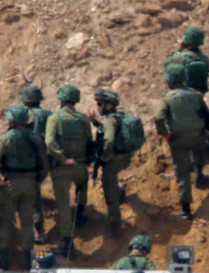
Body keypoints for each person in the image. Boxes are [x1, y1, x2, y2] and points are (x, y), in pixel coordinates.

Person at [154, 64, 209, 221]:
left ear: (169, 82)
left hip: (178, 139)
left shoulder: (167, 98)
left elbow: (158, 118)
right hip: (198, 136)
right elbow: (208, 115)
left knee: (182, 173)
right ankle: (200, 177)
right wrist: (205, 130)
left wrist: (165, 133)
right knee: (199, 156)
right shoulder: (196, 95)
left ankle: (186, 211)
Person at [0, 104, 47, 271]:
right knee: (27, 222)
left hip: (10, 184)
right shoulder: (35, 138)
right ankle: (28, 260)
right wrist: (38, 180)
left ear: (12, 121)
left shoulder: (5, 138)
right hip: (30, 184)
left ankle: (4, 260)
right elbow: (44, 164)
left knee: (6, 222)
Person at [45, 84, 93, 259]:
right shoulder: (83, 119)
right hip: (80, 166)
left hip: (63, 168)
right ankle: (80, 213)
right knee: (82, 186)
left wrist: (63, 159)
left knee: (63, 206)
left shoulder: (54, 118)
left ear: (61, 100)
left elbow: (50, 144)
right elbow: (90, 141)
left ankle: (67, 243)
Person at [164, 26, 209, 189]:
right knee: (198, 131)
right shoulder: (205, 59)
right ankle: (200, 171)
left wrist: (178, 48)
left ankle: (181, 171)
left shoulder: (179, 57)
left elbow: (167, 66)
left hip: (180, 101)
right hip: (198, 99)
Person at [91, 88, 132, 237]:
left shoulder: (109, 120)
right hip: (125, 157)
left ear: (108, 105)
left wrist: (106, 156)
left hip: (114, 160)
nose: (98, 106)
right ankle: (120, 190)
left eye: (100, 103)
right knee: (113, 178)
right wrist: (95, 122)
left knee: (109, 191)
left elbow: (109, 140)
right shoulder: (119, 116)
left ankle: (116, 224)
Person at [21, 84, 52, 244]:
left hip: (29, 159)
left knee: (32, 196)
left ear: (25, 101)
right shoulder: (49, 115)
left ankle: (38, 231)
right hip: (48, 157)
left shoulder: (23, 115)